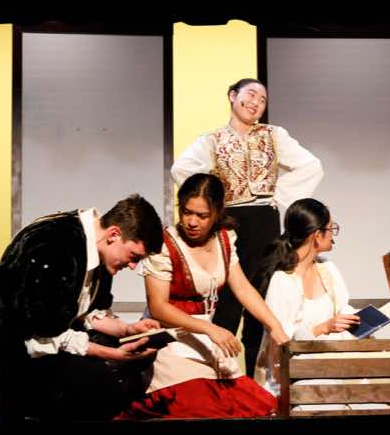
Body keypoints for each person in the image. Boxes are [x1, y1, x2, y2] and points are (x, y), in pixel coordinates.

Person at [171, 77, 323, 375]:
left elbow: (311, 166)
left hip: (265, 221)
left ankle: (257, 379)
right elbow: (182, 169)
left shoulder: (273, 135)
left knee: (261, 295)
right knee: (227, 298)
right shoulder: (212, 139)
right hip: (229, 221)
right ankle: (217, 375)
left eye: (262, 99)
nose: (256, 103)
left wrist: (279, 196)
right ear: (232, 96)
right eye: (251, 94)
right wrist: (215, 202)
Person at [0, 194, 165, 422]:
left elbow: (88, 313)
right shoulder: (53, 243)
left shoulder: (100, 249)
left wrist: (128, 330)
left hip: (54, 338)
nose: (133, 266)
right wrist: (113, 354)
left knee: (135, 364)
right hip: (17, 345)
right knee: (99, 381)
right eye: (133, 257)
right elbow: (42, 331)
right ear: (114, 234)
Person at [118, 173, 290, 419]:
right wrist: (210, 329)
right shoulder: (165, 244)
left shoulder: (224, 239)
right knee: (201, 407)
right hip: (171, 339)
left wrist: (274, 326)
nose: (192, 222)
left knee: (257, 406)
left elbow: (242, 288)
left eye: (202, 215)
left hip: (207, 340)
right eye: (186, 212)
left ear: (217, 213)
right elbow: (158, 307)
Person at [251, 198, 359, 397]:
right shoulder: (283, 280)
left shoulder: (327, 268)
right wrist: (323, 328)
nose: (333, 235)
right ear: (317, 236)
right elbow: (281, 341)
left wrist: (358, 319)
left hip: (330, 362)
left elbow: (342, 308)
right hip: (293, 374)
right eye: (331, 229)